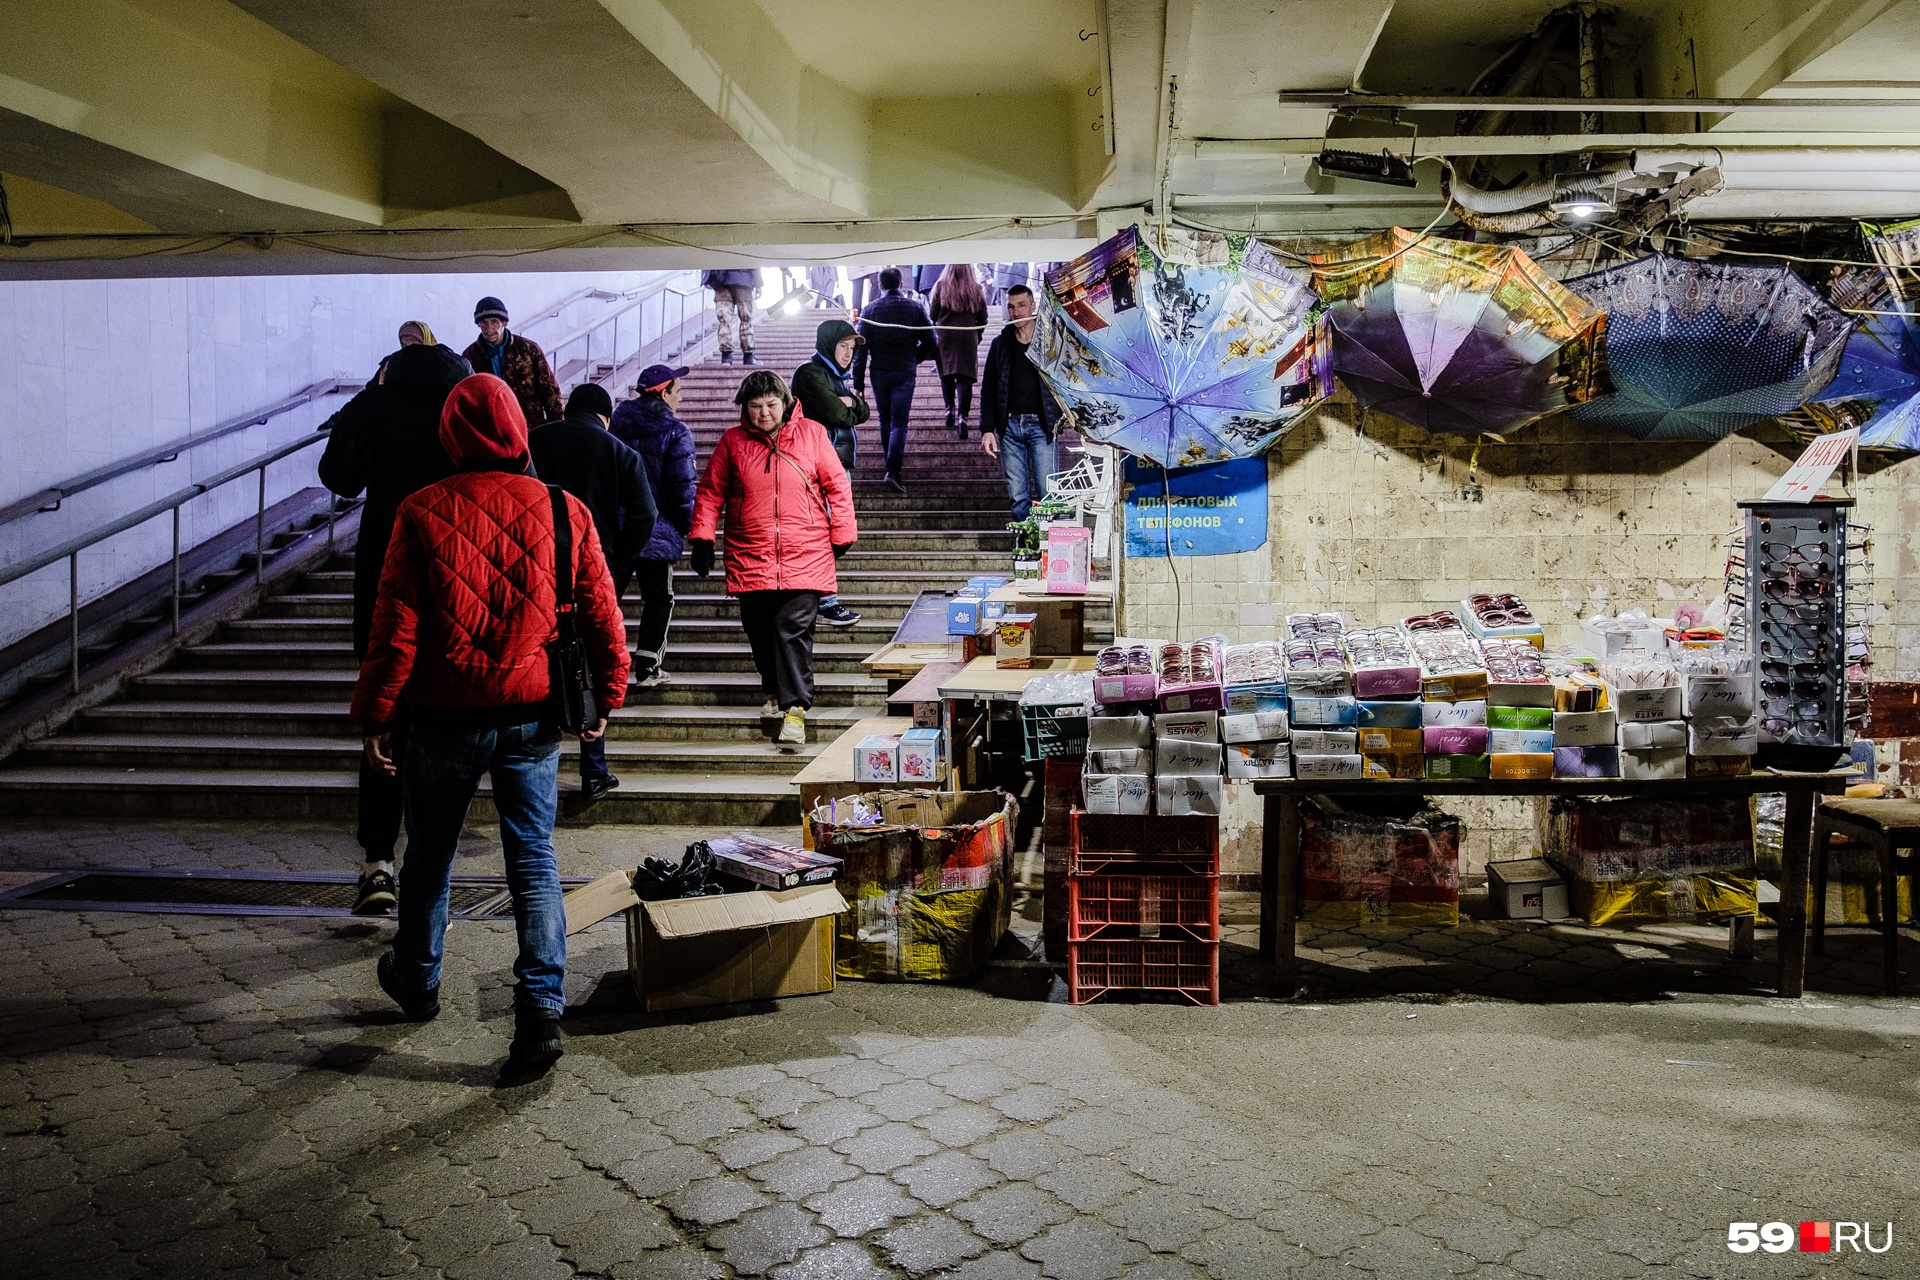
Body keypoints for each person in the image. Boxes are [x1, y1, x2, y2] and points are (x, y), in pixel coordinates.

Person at [353, 373, 628, 1081]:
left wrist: (377, 713)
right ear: (517, 430)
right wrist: (610, 696)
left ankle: (416, 978)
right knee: (533, 862)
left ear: (450, 435)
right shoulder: (564, 511)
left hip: (442, 716)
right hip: (532, 715)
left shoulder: (421, 510)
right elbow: (601, 613)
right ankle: (540, 1011)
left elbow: (396, 627)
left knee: (430, 859)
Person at [318, 339, 470, 915]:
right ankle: (432, 867)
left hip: (383, 578)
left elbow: (339, 476)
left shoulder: (375, 403)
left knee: (385, 719)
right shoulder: (465, 404)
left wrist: (369, 408)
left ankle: (377, 863)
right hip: (456, 579)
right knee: (446, 724)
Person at [688, 371, 856, 749]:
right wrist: (701, 537)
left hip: (806, 551)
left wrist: (843, 532)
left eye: (770, 405)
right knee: (760, 631)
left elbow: (836, 485)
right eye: (755, 406)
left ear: (785, 402)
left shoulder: (812, 433)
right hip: (751, 553)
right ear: (745, 409)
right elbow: (712, 490)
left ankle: (795, 709)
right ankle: (772, 690)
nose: (763, 413)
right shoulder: (733, 442)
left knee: (791, 628)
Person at [529, 383, 658, 801]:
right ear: (605, 416)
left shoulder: (533, 441)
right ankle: (593, 769)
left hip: (532, 569)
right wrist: (618, 562)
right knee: (590, 659)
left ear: (568, 410)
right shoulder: (619, 450)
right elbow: (645, 513)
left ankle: (530, 757)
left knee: (534, 653)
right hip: (591, 572)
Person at [610, 364, 699, 687]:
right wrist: (684, 527)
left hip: (618, 528)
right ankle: (647, 666)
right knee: (659, 597)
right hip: (657, 528)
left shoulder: (617, 425)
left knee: (608, 597)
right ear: (664, 393)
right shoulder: (675, 432)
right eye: (677, 391)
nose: (680, 397)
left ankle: (600, 663)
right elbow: (682, 488)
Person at [789, 319, 869, 628]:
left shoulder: (838, 378)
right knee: (826, 531)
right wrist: (848, 404)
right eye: (843, 346)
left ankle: (814, 591)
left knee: (839, 531)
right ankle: (822, 598)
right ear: (828, 344)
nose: (849, 353)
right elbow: (838, 414)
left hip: (838, 463)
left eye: (852, 348)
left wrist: (849, 401)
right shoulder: (810, 373)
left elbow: (863, 411)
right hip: (819, 463)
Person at [980, 283, 1065, 521]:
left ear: (1032, 306)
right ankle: (1025, 545)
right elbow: (988, 388)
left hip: (1042, 425)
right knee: (1018, 496)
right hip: (1009, 427)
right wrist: (987, 429)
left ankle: (1048, 548)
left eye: (1021, 305)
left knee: (1049, 492)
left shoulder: (1049, 340)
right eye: (1011, 306)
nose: (1016, 312)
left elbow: (1067, 377)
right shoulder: (1000, 345)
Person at [851, 268, 938, 494]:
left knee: (885, 420)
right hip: (904, 371)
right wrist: (914, 359)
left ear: (879, 286)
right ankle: (893, 469)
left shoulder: (870, 309)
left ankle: (888, 465)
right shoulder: (915, 307)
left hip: (879, 371)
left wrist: (857, 383)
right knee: (900, 421)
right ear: (901, 284)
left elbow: (861, 349)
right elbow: (932, 340)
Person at [462, 297, 562, 430]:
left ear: (504, 322)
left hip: (531, 428)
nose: (489, 328)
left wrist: (556, 427)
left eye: (494, 322)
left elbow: (550, 391)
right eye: (483, 323)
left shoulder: (528, 349)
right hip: (493, 430)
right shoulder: (470, 357)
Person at [929, 265, 989, 439]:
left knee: (946, 375)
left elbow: (933, 315)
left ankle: (949, 410)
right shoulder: (976, 289)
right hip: (967, 337)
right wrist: (976, 335)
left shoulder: (941, 287)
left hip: (945, 336)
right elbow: (983, 318)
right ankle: (963, 417)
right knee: (965, 378)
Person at [700, 268, 760, 365]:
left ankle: (726, 357)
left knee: (724, 320)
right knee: (746, 319)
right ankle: (748, 356)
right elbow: (753, 262)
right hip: (743, 280)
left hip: (721, 281)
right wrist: (758, 284)